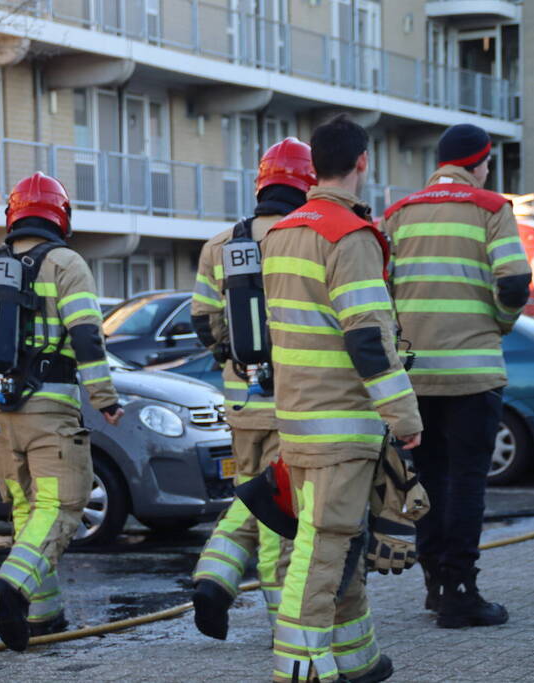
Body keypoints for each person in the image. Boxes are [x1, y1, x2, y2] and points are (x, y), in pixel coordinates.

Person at [261, 115, 422, 683]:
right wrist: (404, 417)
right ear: (362, 162)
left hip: (299, 419)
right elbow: (368, 341)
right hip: (342, 423)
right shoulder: (348, 236)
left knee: (338, 538)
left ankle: (357, 658)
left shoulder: (281, 232)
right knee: (325, 544)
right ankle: (301, 667)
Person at [0, 172, 123, 651]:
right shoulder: (67, 264)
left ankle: (42, 616)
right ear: (60, 216)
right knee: (62, 506)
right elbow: (87, 335)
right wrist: (105, 399)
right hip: (50, 410)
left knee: (26, 509)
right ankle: (14, 588)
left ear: (13, 216)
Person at [381, 123, 529, 628]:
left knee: (428, 480)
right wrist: (498, 326)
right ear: (480, 162)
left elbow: (381, 295)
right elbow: (513, 284)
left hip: (415, 380)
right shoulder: (491, 209)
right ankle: (461, 592)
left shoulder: (398, 215)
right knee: (468, 481)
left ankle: (435, 587)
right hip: (474, 376)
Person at [189, 138, 315, 639]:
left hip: (241, 402)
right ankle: (282, 620)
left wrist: (231, 357)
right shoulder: (306, 235)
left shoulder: (219, 245)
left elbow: (203, 319)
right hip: (296, 402)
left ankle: (215, 576)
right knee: (279, 510)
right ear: (306, 184)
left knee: (251, 493)